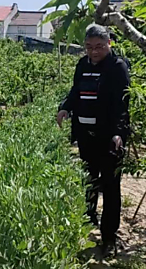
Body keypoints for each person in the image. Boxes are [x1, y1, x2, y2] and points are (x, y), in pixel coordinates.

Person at [56, 24, 130, 256]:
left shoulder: (117, 67)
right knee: (88, 181)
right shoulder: (82, 65)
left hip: (109, 139)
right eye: (89, 47)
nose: (94, 51)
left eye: (99, 46)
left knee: (110, 187)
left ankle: (109, 237)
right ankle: (88, 223)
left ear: (109, 44)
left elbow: (122, 104)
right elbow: (75, 92)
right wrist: (65, 108)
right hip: (85, 136)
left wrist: (118, 133)